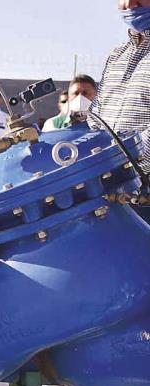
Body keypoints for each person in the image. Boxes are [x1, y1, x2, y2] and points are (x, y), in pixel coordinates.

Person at [90, 0, 150, 223]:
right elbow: (96, 119)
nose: (130, 4)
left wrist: (125, 167)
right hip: (112, 193)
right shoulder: (117, 56)